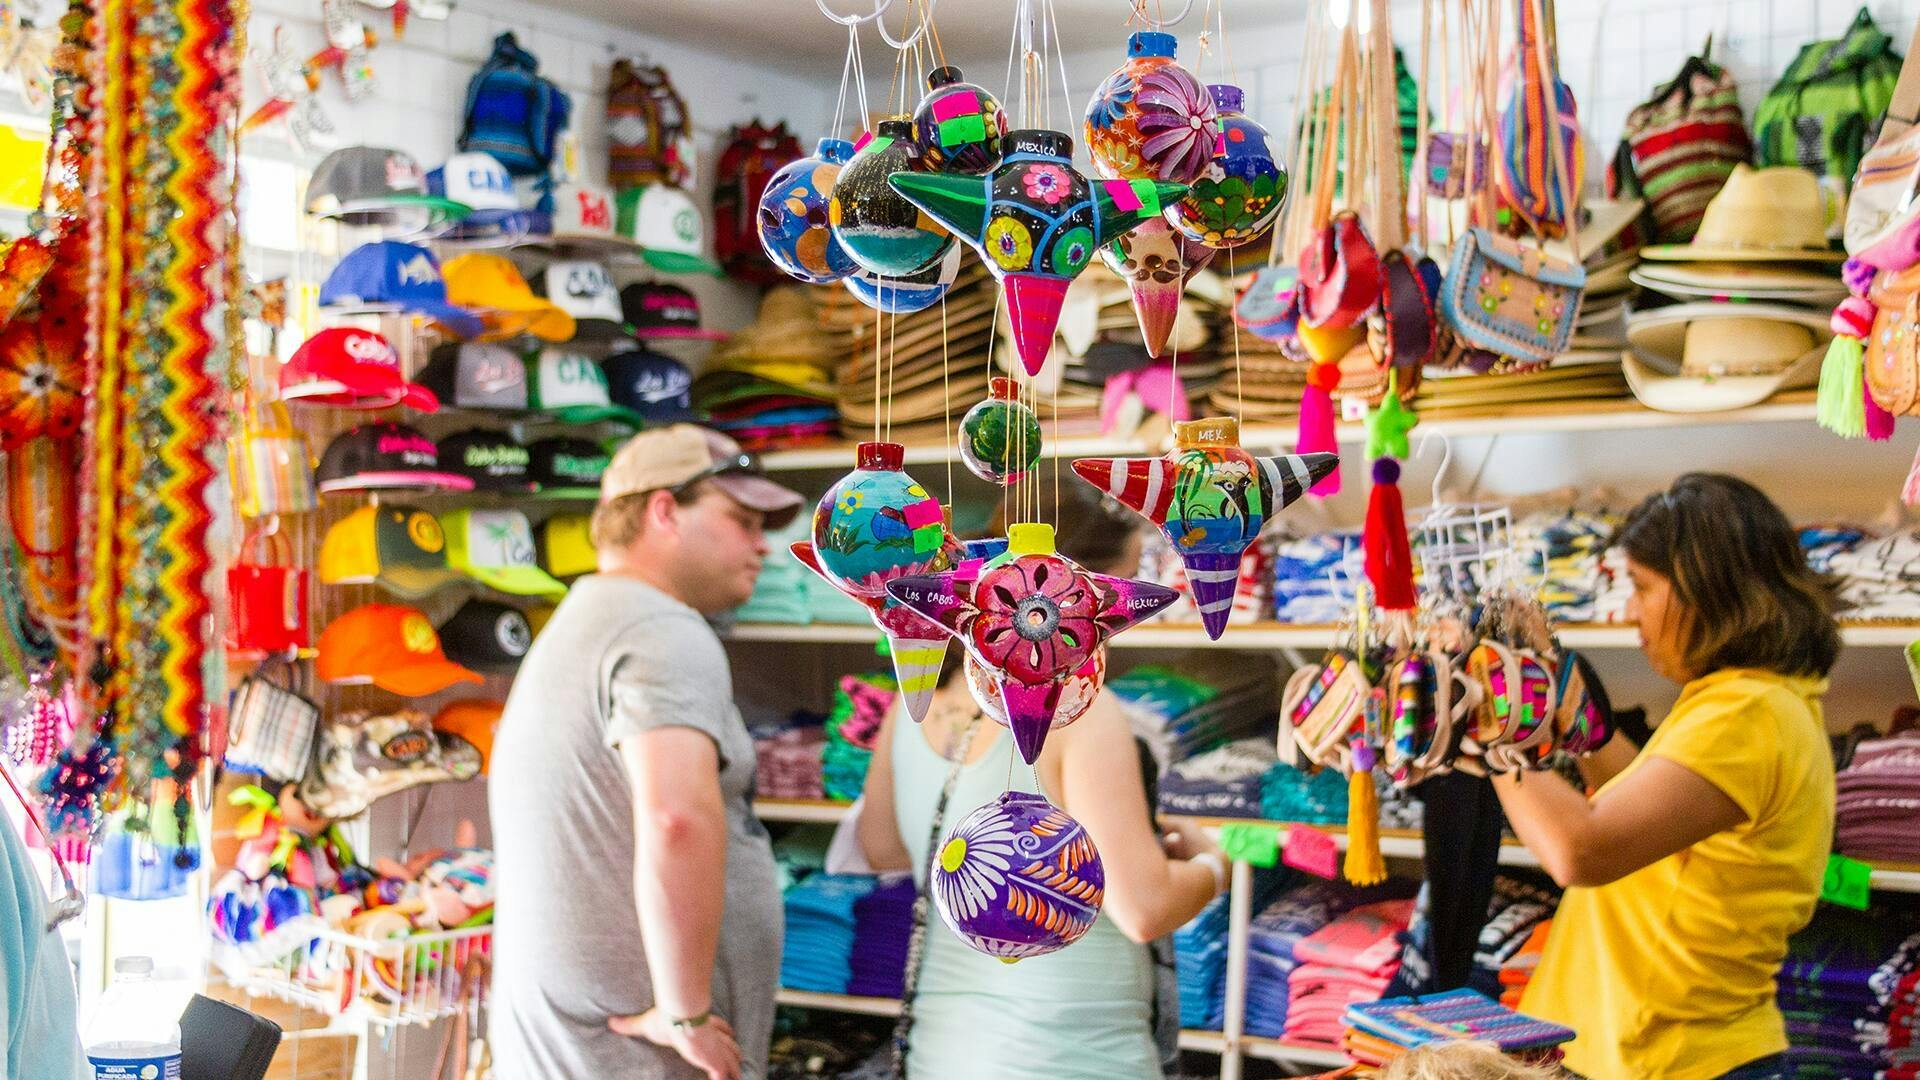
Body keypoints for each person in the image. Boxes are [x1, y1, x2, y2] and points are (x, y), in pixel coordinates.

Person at [857, 486, 1229, 1080]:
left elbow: (883, 848)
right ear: (1080, 595)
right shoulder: (1080, 712)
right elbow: (1143, 908)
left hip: (945, 1052)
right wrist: (1213, 864)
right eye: (1123, 584)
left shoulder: (915, 704)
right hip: (1074, 1052)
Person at [1498, 473, 1839, 1080]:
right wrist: (1564, 708)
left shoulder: (1749, 715)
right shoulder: (1751, 700)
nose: (1630, 612)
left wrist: (1487, 723)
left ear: (1705, 592)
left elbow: (1582, 849)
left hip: (1668, 1058)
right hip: (1649, 1049)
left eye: (1641, 588)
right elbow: (1646, 806)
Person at [489, 425, 804, 1080]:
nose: (762, 546)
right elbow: (676, 819)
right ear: (664, 511)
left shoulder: (591, 621)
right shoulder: (661, 629)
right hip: (634, 1054)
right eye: (742, 520)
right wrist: (686, 1014)